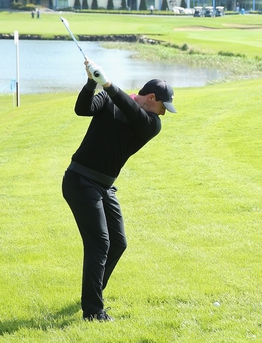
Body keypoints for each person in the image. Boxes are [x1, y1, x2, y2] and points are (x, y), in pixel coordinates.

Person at [62, 60, 176, 321]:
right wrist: (92, 82)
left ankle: (93, 293)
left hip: (104, 186)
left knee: (118, 243)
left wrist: (109, 84)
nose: (164, 113)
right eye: (163, 106)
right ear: (151, 97)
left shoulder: (151, 123)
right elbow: (82, 109)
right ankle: (93, 311)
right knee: (100, 243)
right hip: (80, 180)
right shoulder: (109, 99)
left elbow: (129, 108)